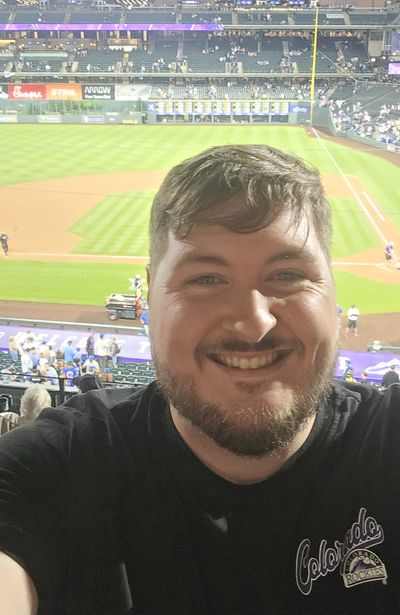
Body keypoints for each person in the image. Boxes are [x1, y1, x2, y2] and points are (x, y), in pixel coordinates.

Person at [0, 144, 400, 614]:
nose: (253, 323)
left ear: (333, 292)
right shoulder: (52, 468)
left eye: (288, 274)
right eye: (206, 279)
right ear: (148, 297)